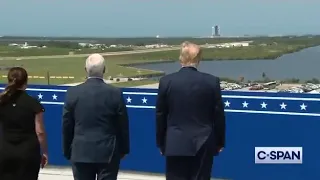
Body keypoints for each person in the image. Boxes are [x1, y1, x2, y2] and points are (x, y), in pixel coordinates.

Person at [156, 42, 226, 180]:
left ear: (181, 58)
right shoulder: (211, 82)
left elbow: (160, 115)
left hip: (175, 142)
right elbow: (218, 115)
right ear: (198, 59)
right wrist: (219, 142)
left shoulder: (166, 81)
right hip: (204, 142)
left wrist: (161, 143)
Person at [62, 53, 130, 180]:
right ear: (104, 70)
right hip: (108, 152)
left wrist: (67, 150)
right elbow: (123, 124)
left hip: (80, 151)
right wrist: (124, 149)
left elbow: (67, 125)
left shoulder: (72, 93)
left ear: (85, 70)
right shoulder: (115, 93)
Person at [0, 67, 48, 180]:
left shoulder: (2, 102)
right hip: (28, 154)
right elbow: (40, 132)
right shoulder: (33, 104)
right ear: (26, 82)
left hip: (4, 152)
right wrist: (45, 152)